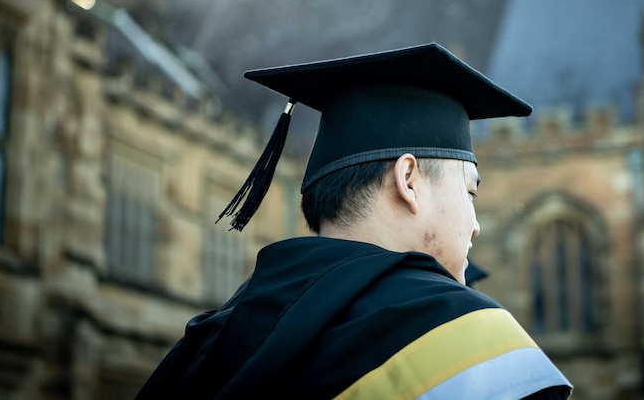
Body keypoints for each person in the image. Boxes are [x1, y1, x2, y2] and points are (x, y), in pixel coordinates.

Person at [135, 43, 572, 399]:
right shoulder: (471, 341)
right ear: (409, 180)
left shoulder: (202, 348)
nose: (475, 224)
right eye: (470, 191)